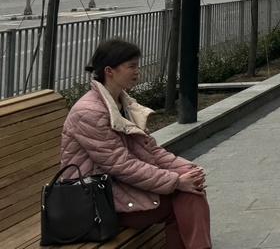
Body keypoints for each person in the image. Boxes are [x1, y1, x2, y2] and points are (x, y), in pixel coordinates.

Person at [62, 39, 212, 249]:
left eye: (137, 66)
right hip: (95, 201)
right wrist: (176, 181)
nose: (137, 71)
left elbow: (151, 150)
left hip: (117, 189)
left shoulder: (121, 104)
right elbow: (121, 165)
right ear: (109, 71)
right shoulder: (89, 112)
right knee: (186, 197)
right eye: (131, 66)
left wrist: (188, 170)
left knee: (191, 189)